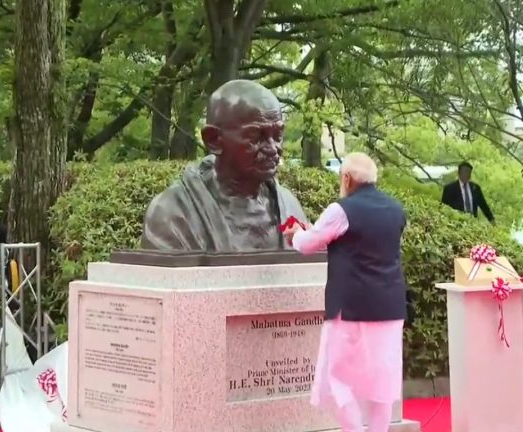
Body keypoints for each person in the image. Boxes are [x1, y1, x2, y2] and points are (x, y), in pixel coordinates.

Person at [283, 152, 407, 432]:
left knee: (336, 378)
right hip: (388, 307)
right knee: (382, 384)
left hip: (349, 307)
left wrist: (295, 234)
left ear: (347, 178)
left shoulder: (341, 210)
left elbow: (309, 243)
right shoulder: (396, 210)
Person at [141, 79, 308, 251]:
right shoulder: (173, 214)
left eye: (278, 136)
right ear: (213, 140)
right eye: (256, 137)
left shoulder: (289, 207)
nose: (273, 149)